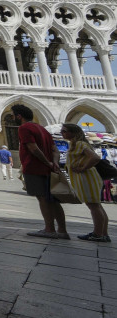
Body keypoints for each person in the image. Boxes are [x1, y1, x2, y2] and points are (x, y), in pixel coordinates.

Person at [13, 104, 69, 239]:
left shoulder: (24, 127)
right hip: (50, 169)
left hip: (34, 167)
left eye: (14, 115)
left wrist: (46, 162)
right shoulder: (42, 129)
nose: (13, 117)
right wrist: (54, 163)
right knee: (54, 199)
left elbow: (32, 148)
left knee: (43, 199)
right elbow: (55, 149)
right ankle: (62, 230)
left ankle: (49, 229)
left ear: (19, 116)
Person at [62, 122, 110, 242]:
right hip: (85, 177)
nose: (62, 133)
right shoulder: (76, 144)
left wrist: (83, 168)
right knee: (96, 205)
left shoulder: (79, 144)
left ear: (73, 133)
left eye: (64, 131)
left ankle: (98, 234)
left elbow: (95, 157)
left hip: (86, 177)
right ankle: (103, 233)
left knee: (93, 205)